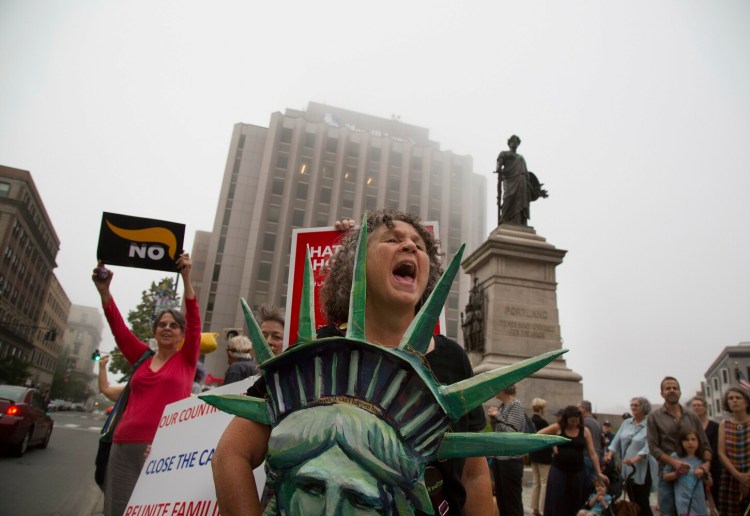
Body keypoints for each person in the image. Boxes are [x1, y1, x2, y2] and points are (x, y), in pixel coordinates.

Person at [212, 210, 493, 516]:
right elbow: (231, 453)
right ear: (356, 263)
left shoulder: (453, 359)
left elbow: (473, 474)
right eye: (392, 239)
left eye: (419, 245)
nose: (410, 247)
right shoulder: (315, 353)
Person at [92, 253, 200, 516]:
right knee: (117, 510)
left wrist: (186, 276)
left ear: (182, 335)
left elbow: (195, 317)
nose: (167, 328)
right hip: (122, 446)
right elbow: (118, 328)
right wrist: (104, 292)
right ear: (154, 332)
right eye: (161, 324)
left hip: (162, 451)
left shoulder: (186, 360)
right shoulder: (140, 358)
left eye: (174, 325)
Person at [647, 376, 712, 516]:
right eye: (667, 388)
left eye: (674, 388)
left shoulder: (692, 417)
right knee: (669, 512)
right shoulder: (654, 417)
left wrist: (705, 466)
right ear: (662, 393)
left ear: (680, 392)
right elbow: (653, 447)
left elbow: (706, 446)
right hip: (668, 474)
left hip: (692, 475)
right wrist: (674, 463)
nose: (671, 391)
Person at [539, 405, 609, 516]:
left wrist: (599, 472)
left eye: (576, 421)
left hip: (578, 472)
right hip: (559, 470)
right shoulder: (558, 427)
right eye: (571, 421)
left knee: (576, 501)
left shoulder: (585, 431)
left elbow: (592, 453)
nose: (574, 423)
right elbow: (539, 435)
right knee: (557, 499)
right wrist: (552, 443)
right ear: (566, 419)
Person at [605, 396, 654, 516]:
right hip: (627, 467)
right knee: (632, 500)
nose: (633, 407)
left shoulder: (650, 424)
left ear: (644, 407)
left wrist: (636, 458)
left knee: (642, 500)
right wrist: (610, 454)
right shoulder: (626, 422)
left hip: (642, 467)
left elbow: (650, 445)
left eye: (636, 405)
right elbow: (616, 440)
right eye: (631, 405)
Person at [487, 384, 525, 516]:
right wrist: (493, 420)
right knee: (502, 501)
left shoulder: (515, 405)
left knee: (512, 502)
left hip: (511, 461)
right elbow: (500, 431)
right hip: (500, 459)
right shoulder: (503, 406)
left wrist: (497, 416)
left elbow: (512, 433)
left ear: (504, 389)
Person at [494, 134, 547, 226]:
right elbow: (499, 163)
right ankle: (505, 219)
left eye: (516, 142)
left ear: (518, 144)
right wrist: (499, 168)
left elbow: (527, 174)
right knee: (508, 198)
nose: (514, 143)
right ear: (509, 143)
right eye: (512, 141)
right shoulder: (504, 153)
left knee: (521, 201)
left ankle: (519, 221)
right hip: (510, 180)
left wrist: (531, 186)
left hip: (522, 181)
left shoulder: (521, 157)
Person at [717, 387, 750, 515]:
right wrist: (738, 475)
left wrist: (746, 478)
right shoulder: (724, 424)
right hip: (732, 476)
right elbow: (721, 453)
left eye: (738, 398)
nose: (734, 401)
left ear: (746, 401)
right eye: (731, 398)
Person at [662, 429, 709, 515]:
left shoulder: (701, 459)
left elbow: (710, 483)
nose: (690, 442)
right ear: (681, 442)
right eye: (686, 440)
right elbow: (665, 476)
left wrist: (703, 472)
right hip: (683, 500)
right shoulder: (675, 457)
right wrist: (677, 473)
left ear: (698, 442)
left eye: (693, 439)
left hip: (699, 501)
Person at [689, 395, 721, 511]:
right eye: (694, 406)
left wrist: (708, 461)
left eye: (699, 405)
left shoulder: (715, 426)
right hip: (695, 465)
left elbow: (717, 446)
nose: (696, 408)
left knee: (716, 496)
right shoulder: (689, 427)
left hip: (714, 465)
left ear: (705, 408)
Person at [529, 398, 553, 516]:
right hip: (544, 455)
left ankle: (534, 508)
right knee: (544, 482)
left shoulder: (530, 420)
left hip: (533, 454)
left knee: (535, 482)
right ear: (542, 408)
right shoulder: (543, 423)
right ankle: (543, 508)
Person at [579, 400, 604, 483]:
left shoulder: (583, 422)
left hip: (586, 456)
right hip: (596, 458)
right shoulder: (596, 423)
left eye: (578, 407)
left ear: (584, 408)